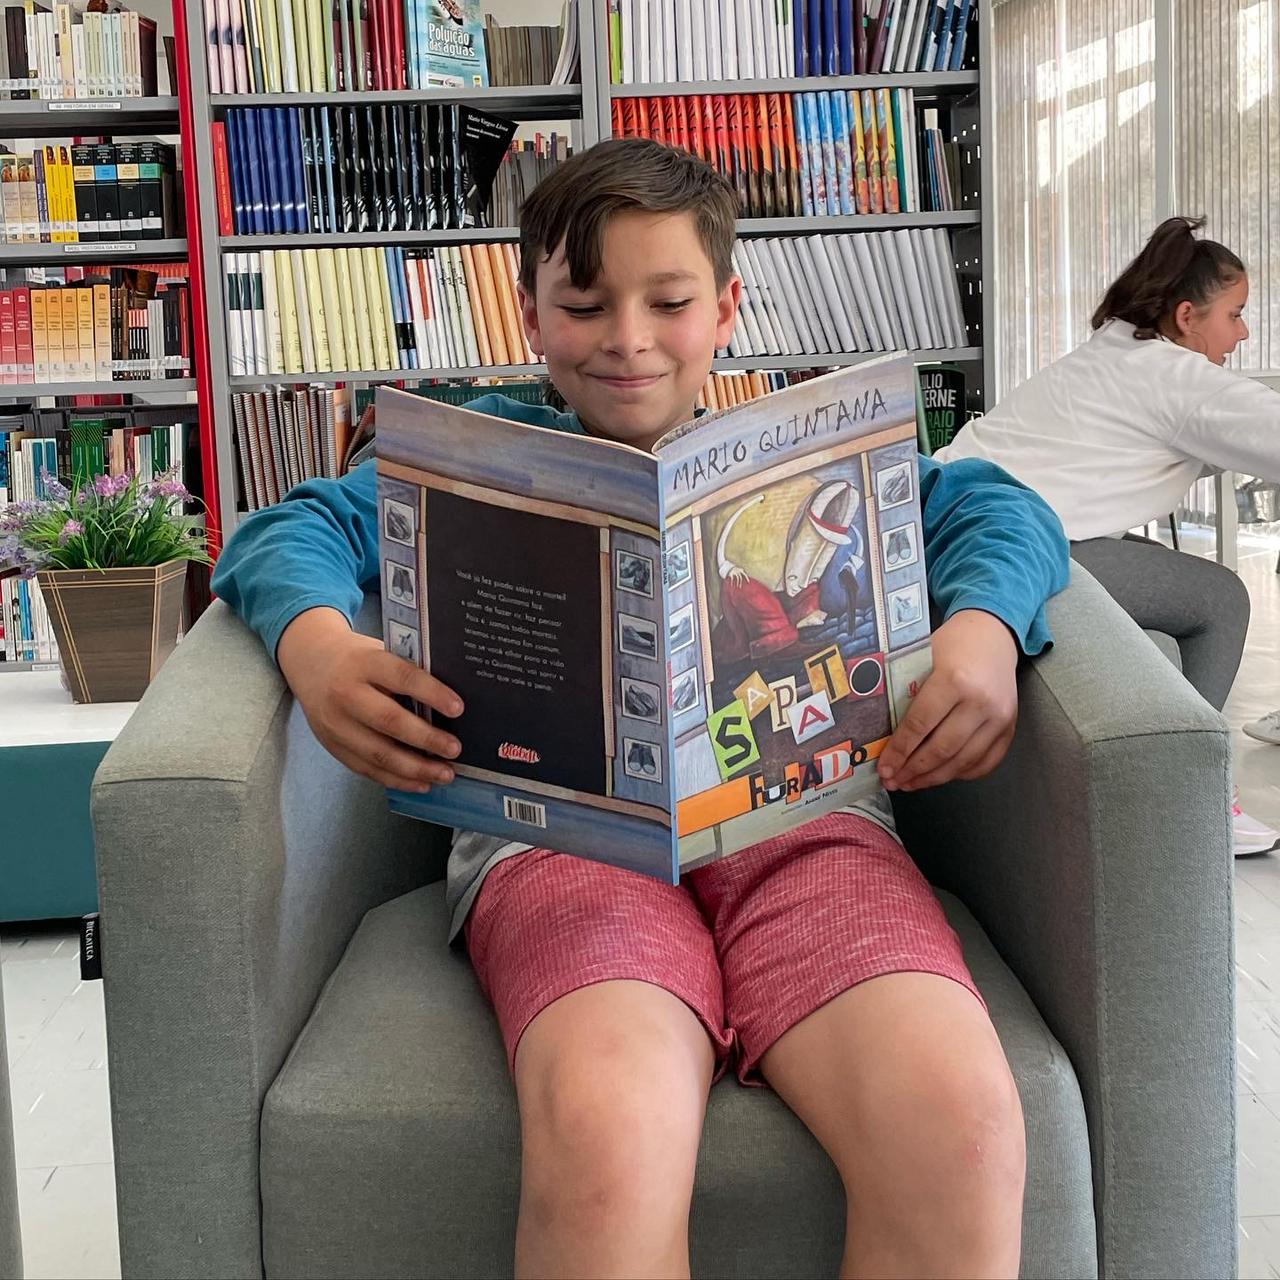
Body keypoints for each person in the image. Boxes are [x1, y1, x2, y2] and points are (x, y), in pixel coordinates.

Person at [213, 138, 1070, 1278]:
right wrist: (319, 647)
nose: (627, 337)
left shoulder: (796, 450)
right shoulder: (475, 451)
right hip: (560, 841)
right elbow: (286, 529)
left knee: (960, 1124)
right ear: (529, 313)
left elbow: (1002, 511)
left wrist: (985, 631)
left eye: (668, 302)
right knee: (608, 1132)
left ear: (726, 309)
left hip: (805, 826)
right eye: (584, 305)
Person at [937, 216, 1280, 855]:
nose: (1243, 333)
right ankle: (1188, 798)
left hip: (955, 515)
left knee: (1164, 592)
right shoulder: (1177, 380)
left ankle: (1170, 780)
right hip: (1021, 541)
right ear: (1186, 316)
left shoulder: (1115, 349)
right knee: (1222, 599)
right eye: (1235, 315)